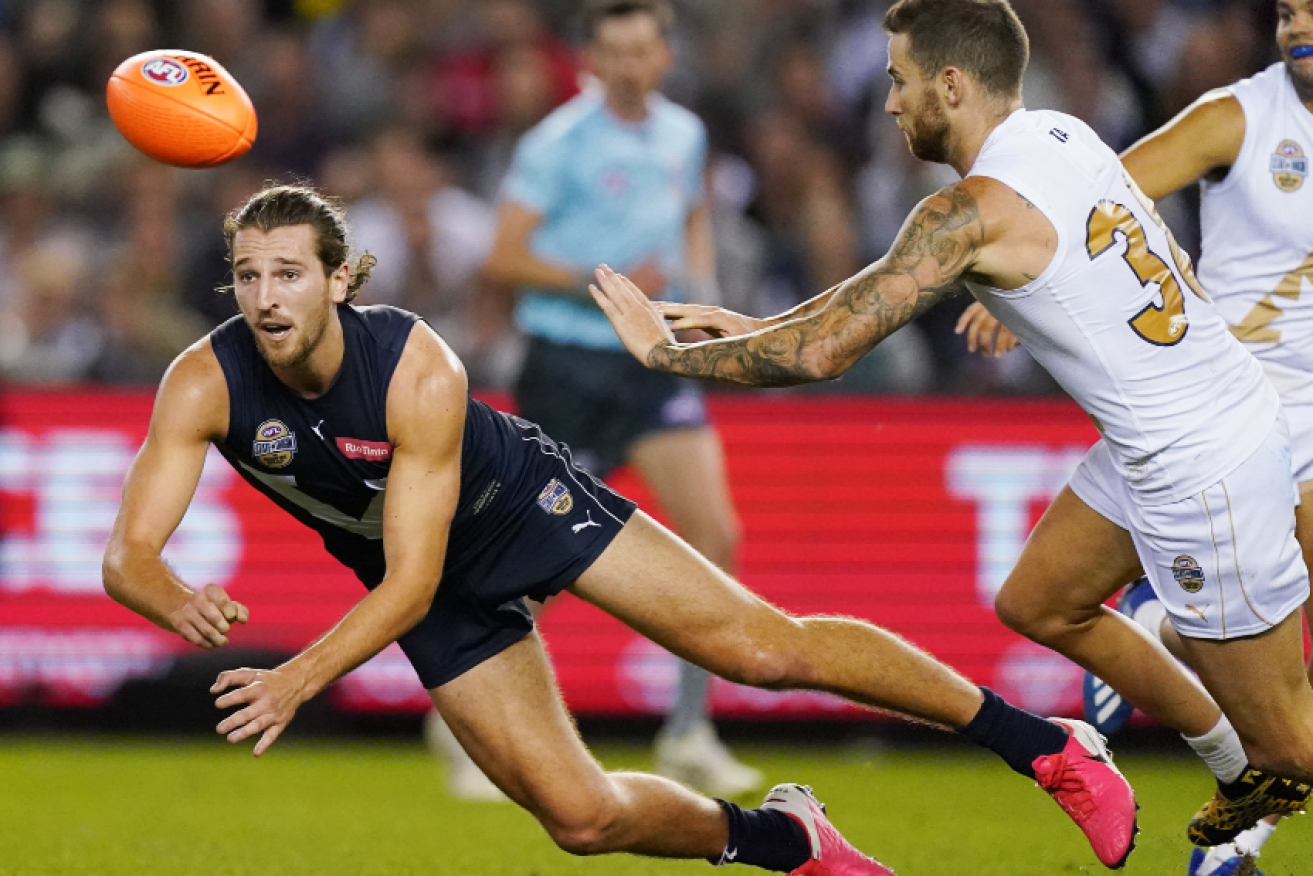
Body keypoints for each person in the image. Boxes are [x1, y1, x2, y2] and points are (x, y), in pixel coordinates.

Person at [102, 182, 1139, 875]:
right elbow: (125, 558)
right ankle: (790, 844)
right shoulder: (204, 378)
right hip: (421, 581)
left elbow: (410, 582)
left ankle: (1043, 745)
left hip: (516, 512)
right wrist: (175, 598)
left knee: (759, 648)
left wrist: (293, 676)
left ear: (340, 280)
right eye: (246, 275)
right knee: (581, 821)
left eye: (288, 272)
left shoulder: (415, 367)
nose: (265, 296)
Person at [589, 0, 1313, 859]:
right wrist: (749, 324)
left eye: (898, 82)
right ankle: (1234, 770)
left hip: (1202, 476)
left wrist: (667, 358)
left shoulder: (969, 213)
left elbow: (823, 354)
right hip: (1204, 417)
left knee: (1293, 748)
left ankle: (1253, 765)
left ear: (951, 83)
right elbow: (873, 292)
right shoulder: (1061, 136)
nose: (889, 103)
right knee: (1041, 601)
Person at [956, 4, 1313, 872]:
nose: (1294, 24)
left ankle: (1170, 648)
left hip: (1235, 429)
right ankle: (1232, 790)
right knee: (1282, 688)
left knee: (1268, 669)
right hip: (1233, 403)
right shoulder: (1239, 117)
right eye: (1284, 9)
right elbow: (1100, 194)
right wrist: (1027, 266)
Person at [481, 0, 759, 797]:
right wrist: (600, 283)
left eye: (643, 51)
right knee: (539, 561)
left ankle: (687, 730)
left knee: (715, 534)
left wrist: (701, 297)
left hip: (650, 364)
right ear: (591, 62)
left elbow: (691, 220)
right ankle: (466, 713)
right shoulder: (554, 144)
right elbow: (504, 257)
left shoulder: (683, 134)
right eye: (614, 53)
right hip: (567, 364)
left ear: (664, 56)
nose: (629, 66)